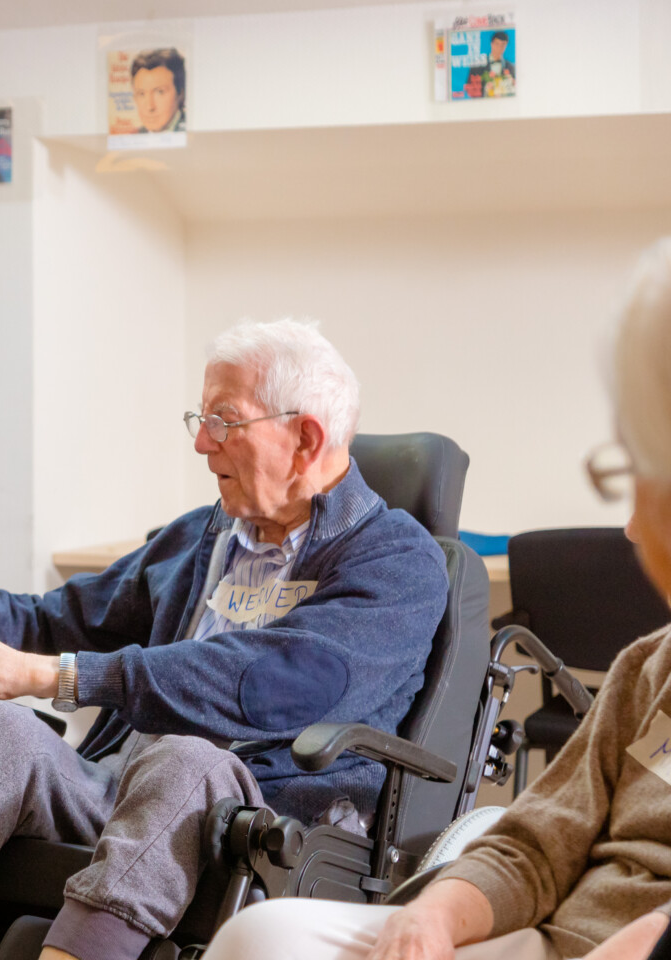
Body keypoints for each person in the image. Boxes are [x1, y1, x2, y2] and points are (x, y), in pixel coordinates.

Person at [0, 319, 449, 960]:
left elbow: (274, 681)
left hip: (265, 820)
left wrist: (57, 676)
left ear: (305, 437)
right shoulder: (197, 539)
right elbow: (58, 616)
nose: (203, 444)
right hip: (122, 787)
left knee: (186, 759)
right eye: (200, 420)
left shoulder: (397, 559)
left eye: (225, 422)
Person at [201, 238, 671, 960]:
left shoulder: (394, 561)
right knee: (262, 935)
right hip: (550, 932)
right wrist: (436, 916)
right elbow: (535, 842)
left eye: (635, 469)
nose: (632, 525)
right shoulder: (648, 672)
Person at [130, 48, 186, 134]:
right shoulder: (135, 135)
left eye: (160, 92)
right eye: (141, 94)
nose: (150, 107)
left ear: (180, 94)